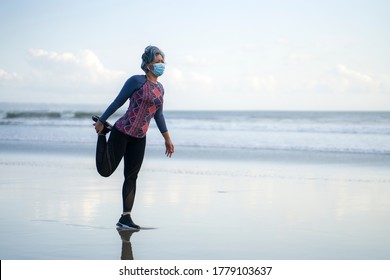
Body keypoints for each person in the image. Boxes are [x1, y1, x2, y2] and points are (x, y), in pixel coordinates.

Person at [93, 45, 174, 230]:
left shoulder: (161, 89)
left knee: (132, 177)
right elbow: (118, 101)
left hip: (139, 138)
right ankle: (103, 135)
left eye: (163, 62)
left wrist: (167, 138)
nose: (161, 65)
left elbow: (158, 115)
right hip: (121, 132)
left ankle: (125, 217)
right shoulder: (136, 81)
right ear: (147, 65)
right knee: (106, 171)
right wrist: (102, 120)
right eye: (157, 61)